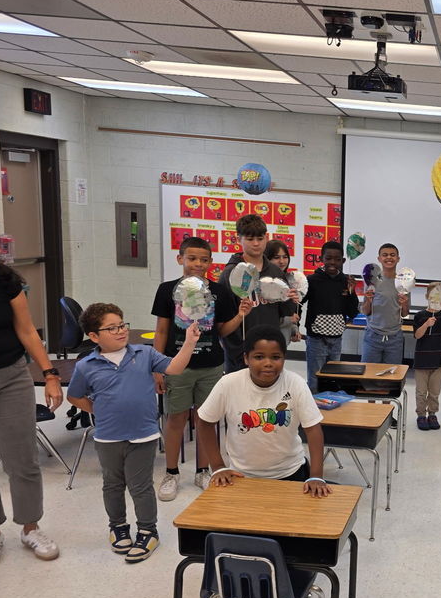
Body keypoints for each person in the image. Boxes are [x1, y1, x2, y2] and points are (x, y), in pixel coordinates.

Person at [196, 325, 329, 598]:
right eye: (258, 356)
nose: (267, 363)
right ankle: (255, 593)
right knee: (250, 540)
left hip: (290, 474)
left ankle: (288, 581)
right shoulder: (229, 384)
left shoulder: (295, 384)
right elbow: (204, 421)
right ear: (246, 359)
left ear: (284, 358)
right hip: (244, 479)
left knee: (289, 539)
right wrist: (217, 467)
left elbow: (313, 430)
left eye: (276, 357)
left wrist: (316, 474)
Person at [0, 211, 62, 568]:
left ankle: (30, 526)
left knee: (23, 459)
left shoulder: (5, 280)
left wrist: (48, 373)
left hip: (11, 375)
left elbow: (28, 330)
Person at [67, 303, 201, 563]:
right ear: (94, 336)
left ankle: (147, 531)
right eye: (112, 328)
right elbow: (74, 396)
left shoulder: (144, 353)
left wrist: (189, 343)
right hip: (108, 437)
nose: (120, 331)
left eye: (122, 325)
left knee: (140, 487)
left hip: (143, 435)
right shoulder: (87, 365)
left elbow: (174, 368)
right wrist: (97, 409)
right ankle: (117, 527)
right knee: (113, 485)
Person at [151, 236, 252, 500]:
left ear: (211, 262)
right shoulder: (167, 290)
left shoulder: (218, 292)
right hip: (176, 366)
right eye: (192, 258)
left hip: (210, 366)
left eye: (204, 259)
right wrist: (157, 366)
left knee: (206, 420)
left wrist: (240, 315)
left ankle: (202, 471)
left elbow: (222, 331)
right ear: (180, 259)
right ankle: (171, 473)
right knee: (175, 418)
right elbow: (161, 330)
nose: (198, 264)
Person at [219, 214, 298, 372]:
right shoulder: (230, 273)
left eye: (260, 238)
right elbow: (223, 320)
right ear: (238, 239)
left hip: (270, 350)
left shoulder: (276, 272)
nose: (256, 243)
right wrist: (237, 350)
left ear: (266, 238)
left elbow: (285, 312)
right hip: (240, 353)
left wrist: (291, 300)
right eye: (249, 239)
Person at [301, 240, 359, 393]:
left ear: (343, 261)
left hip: (336, 339)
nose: (333, 262)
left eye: (337, 259)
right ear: (321, 259)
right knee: (315, 378)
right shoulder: (312, 280)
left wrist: (352, 292)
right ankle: (313, 414)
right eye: (328, 258)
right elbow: (298, 303)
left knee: (333, 378)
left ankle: (330, 412)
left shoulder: (346, 282)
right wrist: (294, 323)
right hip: (316, 339)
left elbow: (353, 312)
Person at [361, 243, 409, 363]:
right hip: (373, 335)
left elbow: (404, 313)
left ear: (398, 259)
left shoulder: (403, 282)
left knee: (392, 377)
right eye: (385, 255)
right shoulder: (371, 280)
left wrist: (404, 304)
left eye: (392, 255)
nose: (389, 258)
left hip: (395, 338)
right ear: (379, 259)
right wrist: (368, 300)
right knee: (368, 375)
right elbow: (366, 311)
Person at [413, 283, 441, 431]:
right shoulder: (420, 315)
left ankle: (433, 414)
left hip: (437, 360)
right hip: (422, 361)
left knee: (435, 391)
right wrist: (426, 324)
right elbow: (417, 335)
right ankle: (421, 415)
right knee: (421, 391)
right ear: (427, 297)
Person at [265, 239, 301, 345]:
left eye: (285, 257)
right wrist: (289, 320)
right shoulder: (265, 283)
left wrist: (294, 330)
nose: (282, 261)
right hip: (267, 342)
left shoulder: (288, 280)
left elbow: (289, 312)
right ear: (267, 258)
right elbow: (265, 317)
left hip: (283, 341)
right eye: (276, 257)